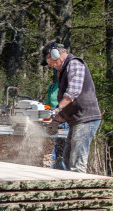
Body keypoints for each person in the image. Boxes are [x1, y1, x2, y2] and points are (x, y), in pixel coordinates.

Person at [41, 41, 101, 174]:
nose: (50, 65)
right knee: (67, 160)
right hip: (76, 119)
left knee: (76, 161)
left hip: (86, 118)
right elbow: (70, 105)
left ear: (55, 54)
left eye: (49, 61)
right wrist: (56, 120)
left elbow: (73, 93)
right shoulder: (63, 71)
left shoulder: (74, 64)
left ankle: (79, 191)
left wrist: (56, 109)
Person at [44, 68, 68, 169]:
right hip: (54, 120)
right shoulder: (52, 87)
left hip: (67, 121)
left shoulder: (69, 86)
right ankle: (52, 173)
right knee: (53, 151)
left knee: (66, 151)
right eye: (58, 73)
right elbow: (47, 104)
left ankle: (65, 175)